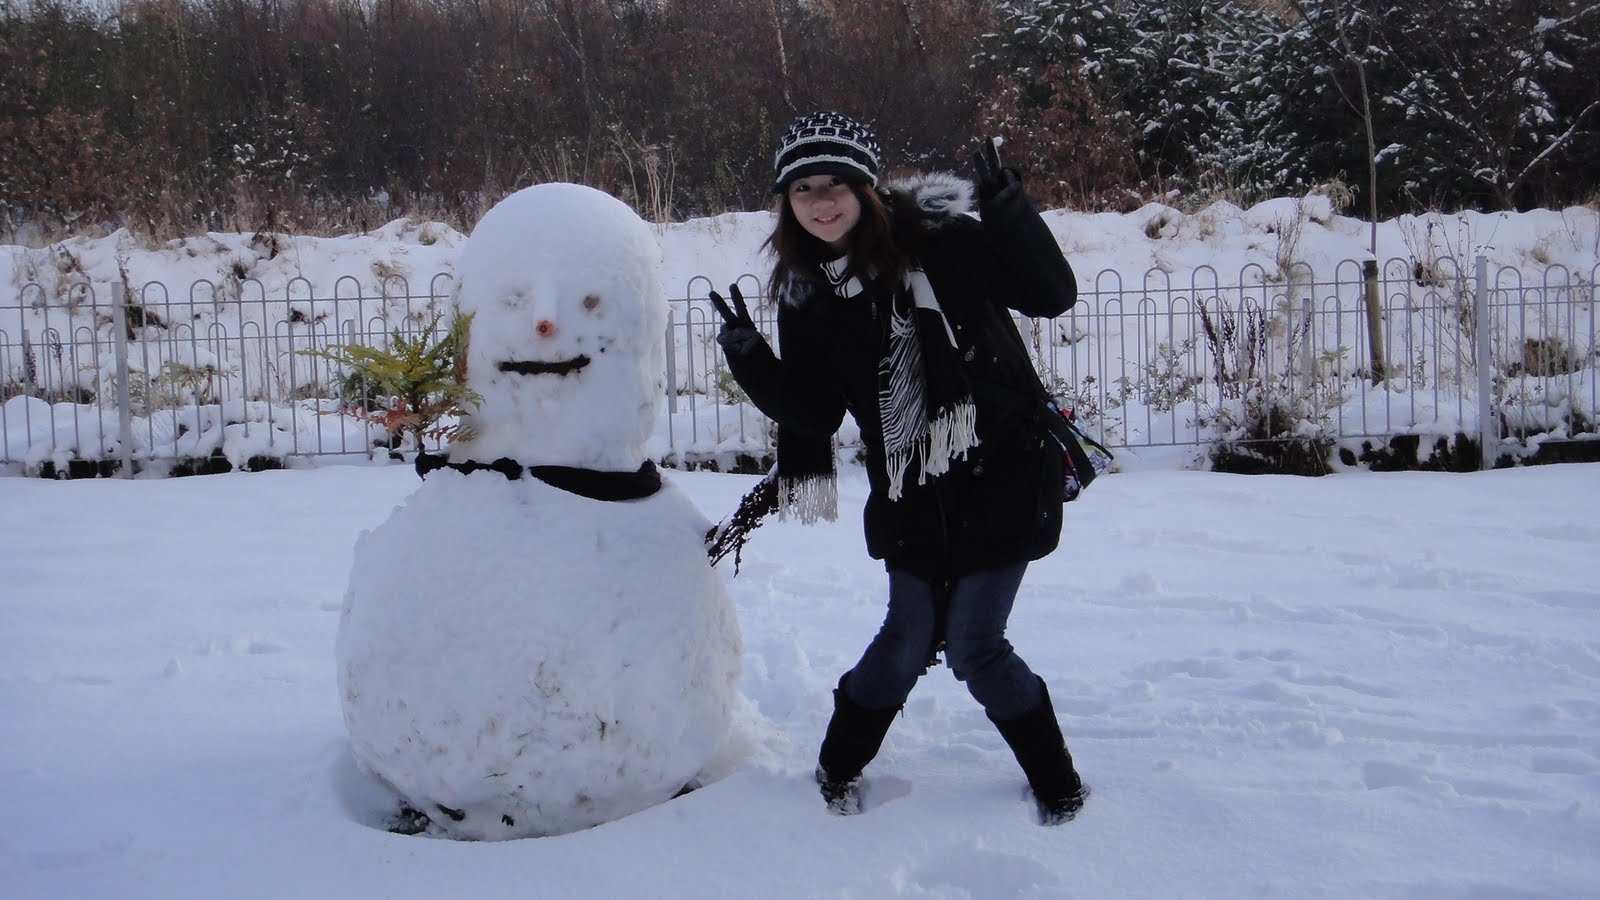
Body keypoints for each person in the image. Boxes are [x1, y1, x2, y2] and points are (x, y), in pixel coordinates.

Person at [708, 111, 1088, 824]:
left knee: (975, 646)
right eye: (802, 188)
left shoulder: (942, 241)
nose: (821, 201)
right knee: (906, 640)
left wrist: (1010, 212)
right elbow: (816, 412)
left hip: (1003, 468)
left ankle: (1060, 787)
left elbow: (1051, 295)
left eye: (836, 184)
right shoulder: (806, 292)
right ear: (786, 201)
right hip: (911, 487)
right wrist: (751, 359)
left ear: (866, 187)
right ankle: (833, 773)